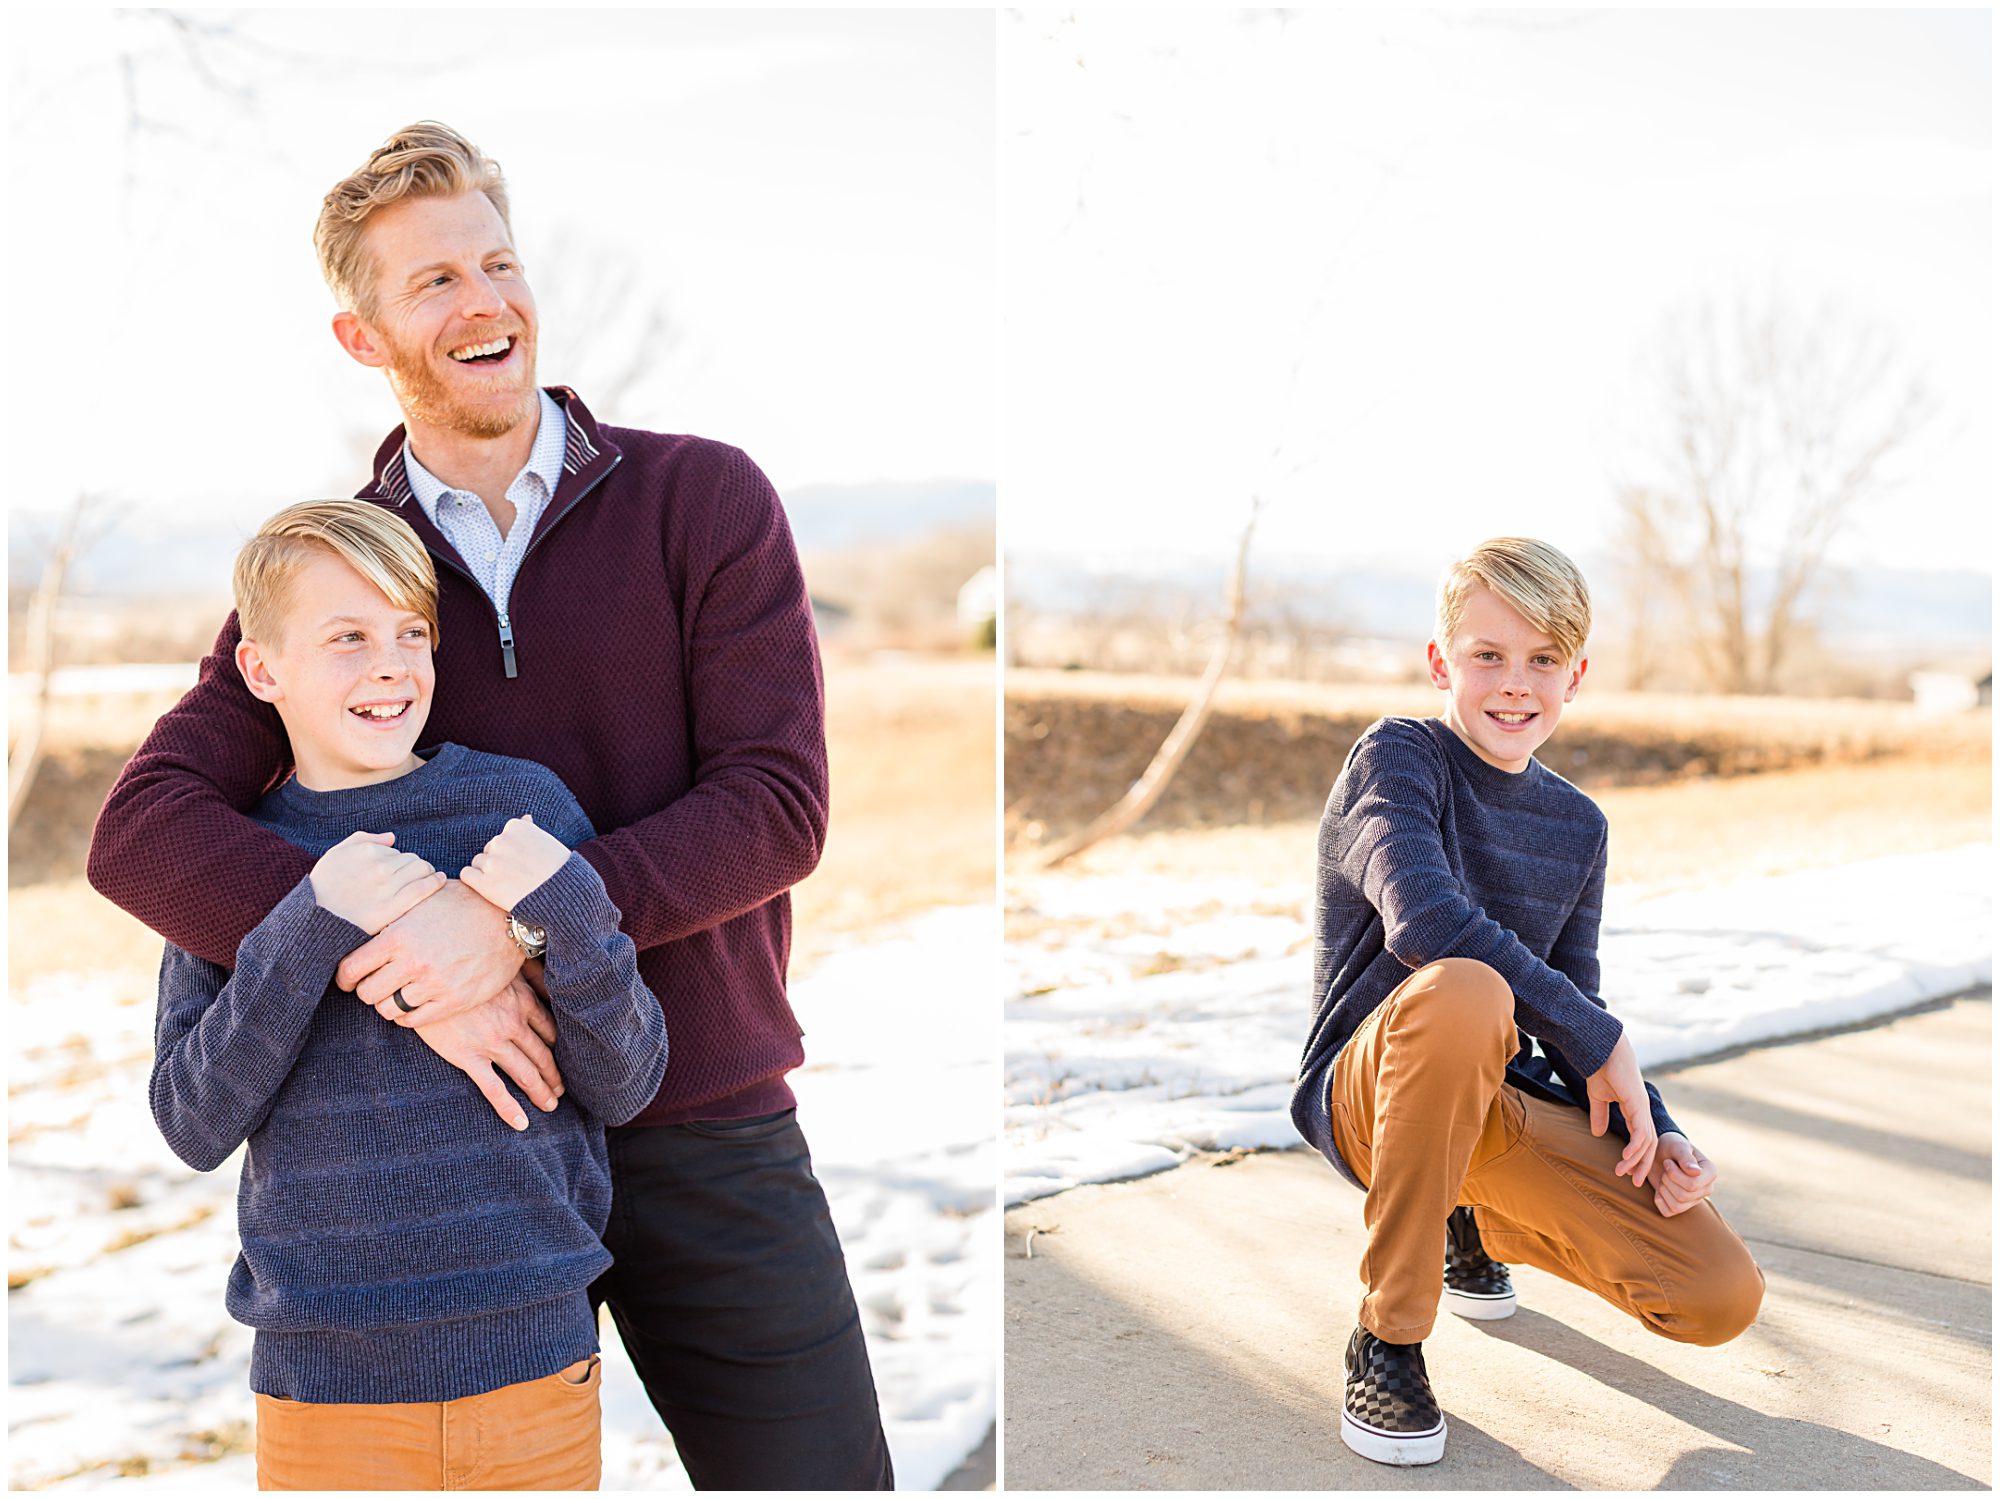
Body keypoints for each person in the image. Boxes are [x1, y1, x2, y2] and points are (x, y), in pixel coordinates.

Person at [89, 121, 894, 1490]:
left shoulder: (700, 497)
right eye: (434, 282)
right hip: (469, 1153)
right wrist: (402, 956)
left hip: (702, 1105)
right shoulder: (334, 573)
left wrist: (509, 928)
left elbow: (774, 805)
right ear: (365, 337)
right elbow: (145, 829)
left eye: (498, 263)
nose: (486, 303)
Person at [152, 498, 667, 1489]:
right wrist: (308, 923)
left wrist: (569, 909)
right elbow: (191, 1119)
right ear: (263, 670)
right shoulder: (230, 858)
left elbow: (627, 1080)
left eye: (410, 633)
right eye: (346, 636)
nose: (390, 664)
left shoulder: (518, 808)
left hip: (530, 1351)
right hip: (324, 1379)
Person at [1290, 536, 1764, 1468]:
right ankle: (1387, 1334)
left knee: (1718, 1294)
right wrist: (1602, 1036)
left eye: (1543, 658)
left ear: (1576, 676)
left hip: (1494, 1101)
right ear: (1440, 663)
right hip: (1368, 1093)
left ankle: (1467, 1215)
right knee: (1467, 988)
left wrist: (1653, 1128)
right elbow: (1425, 922)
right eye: (1488, 655)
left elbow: (1572, 1009)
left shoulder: (1578, 824)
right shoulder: (1398, 757)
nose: (1517, 683)